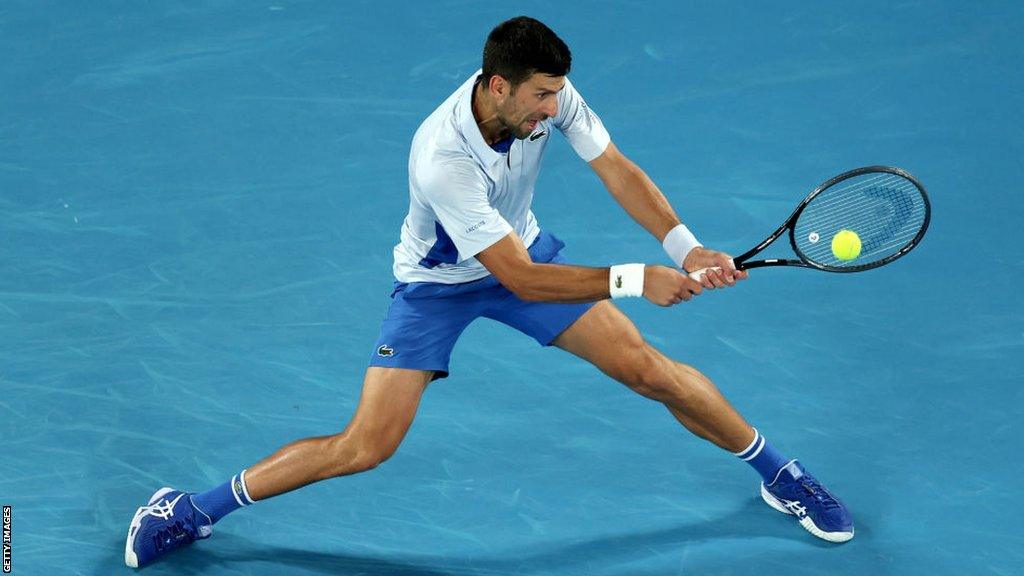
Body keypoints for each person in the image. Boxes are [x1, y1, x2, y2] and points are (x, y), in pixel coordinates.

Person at [124, 15, 853, 569]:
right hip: (439, 288)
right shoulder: (444, 156)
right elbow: (521, 280)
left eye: (556, 97)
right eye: (539, 98)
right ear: (497, 85)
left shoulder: (550, 97)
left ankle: (778, 473)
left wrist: (684, 247)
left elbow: (618, 169)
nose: (551, 111)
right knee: (365, 446)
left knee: (647, 369)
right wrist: (636, 280)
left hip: (520, 252)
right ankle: (191, 508)